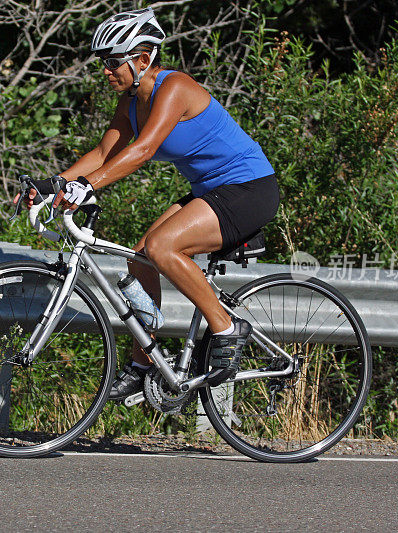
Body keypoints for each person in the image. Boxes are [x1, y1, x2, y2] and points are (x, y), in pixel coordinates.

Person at [22, 7, 280, 399]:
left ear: (143, 59)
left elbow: (143, 150)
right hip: (211, 191)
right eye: (102, 63)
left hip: (249, 189)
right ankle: (144, 362)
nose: (106, 71)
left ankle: (227, 328)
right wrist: (54, 185)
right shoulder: (129, 102)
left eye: (113, 62)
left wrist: (86, 187)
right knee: (140, 256)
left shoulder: (174, 87)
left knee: (161, 247)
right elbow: (104, 153)